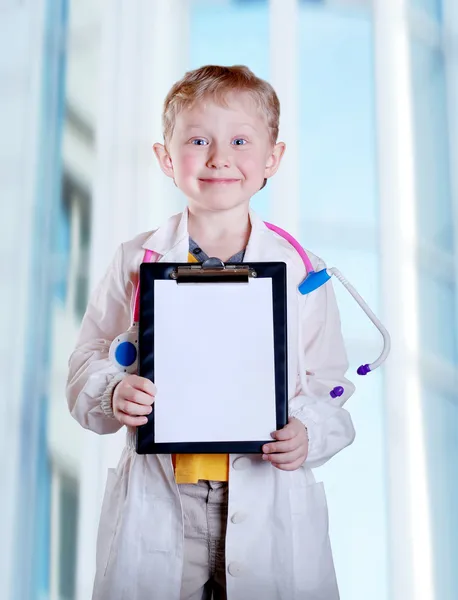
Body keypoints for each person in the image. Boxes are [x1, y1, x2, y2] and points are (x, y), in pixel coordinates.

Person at [67, 64, 356, 600]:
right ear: (165, 158)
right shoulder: (136, 260)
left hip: (266, 500)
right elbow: (85, 364)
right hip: (161, 504)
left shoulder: (302, 274)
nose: (220, 157)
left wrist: (308, 433)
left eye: (241, 141)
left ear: (273, 158)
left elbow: (330, 391)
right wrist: (113, 390)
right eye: (198, 140)